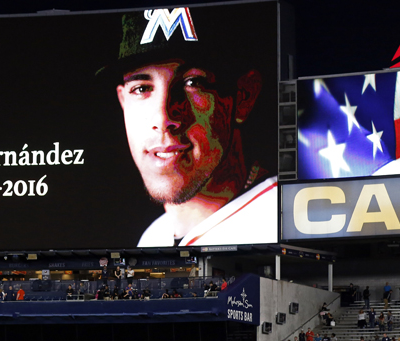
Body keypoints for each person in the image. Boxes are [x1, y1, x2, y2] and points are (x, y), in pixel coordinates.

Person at [105, 9, 274, 247]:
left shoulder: (283, 219)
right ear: (123, 102)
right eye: (141, 89)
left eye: (192, 82)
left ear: (245, 96)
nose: (164, 118)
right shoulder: (152, 238)